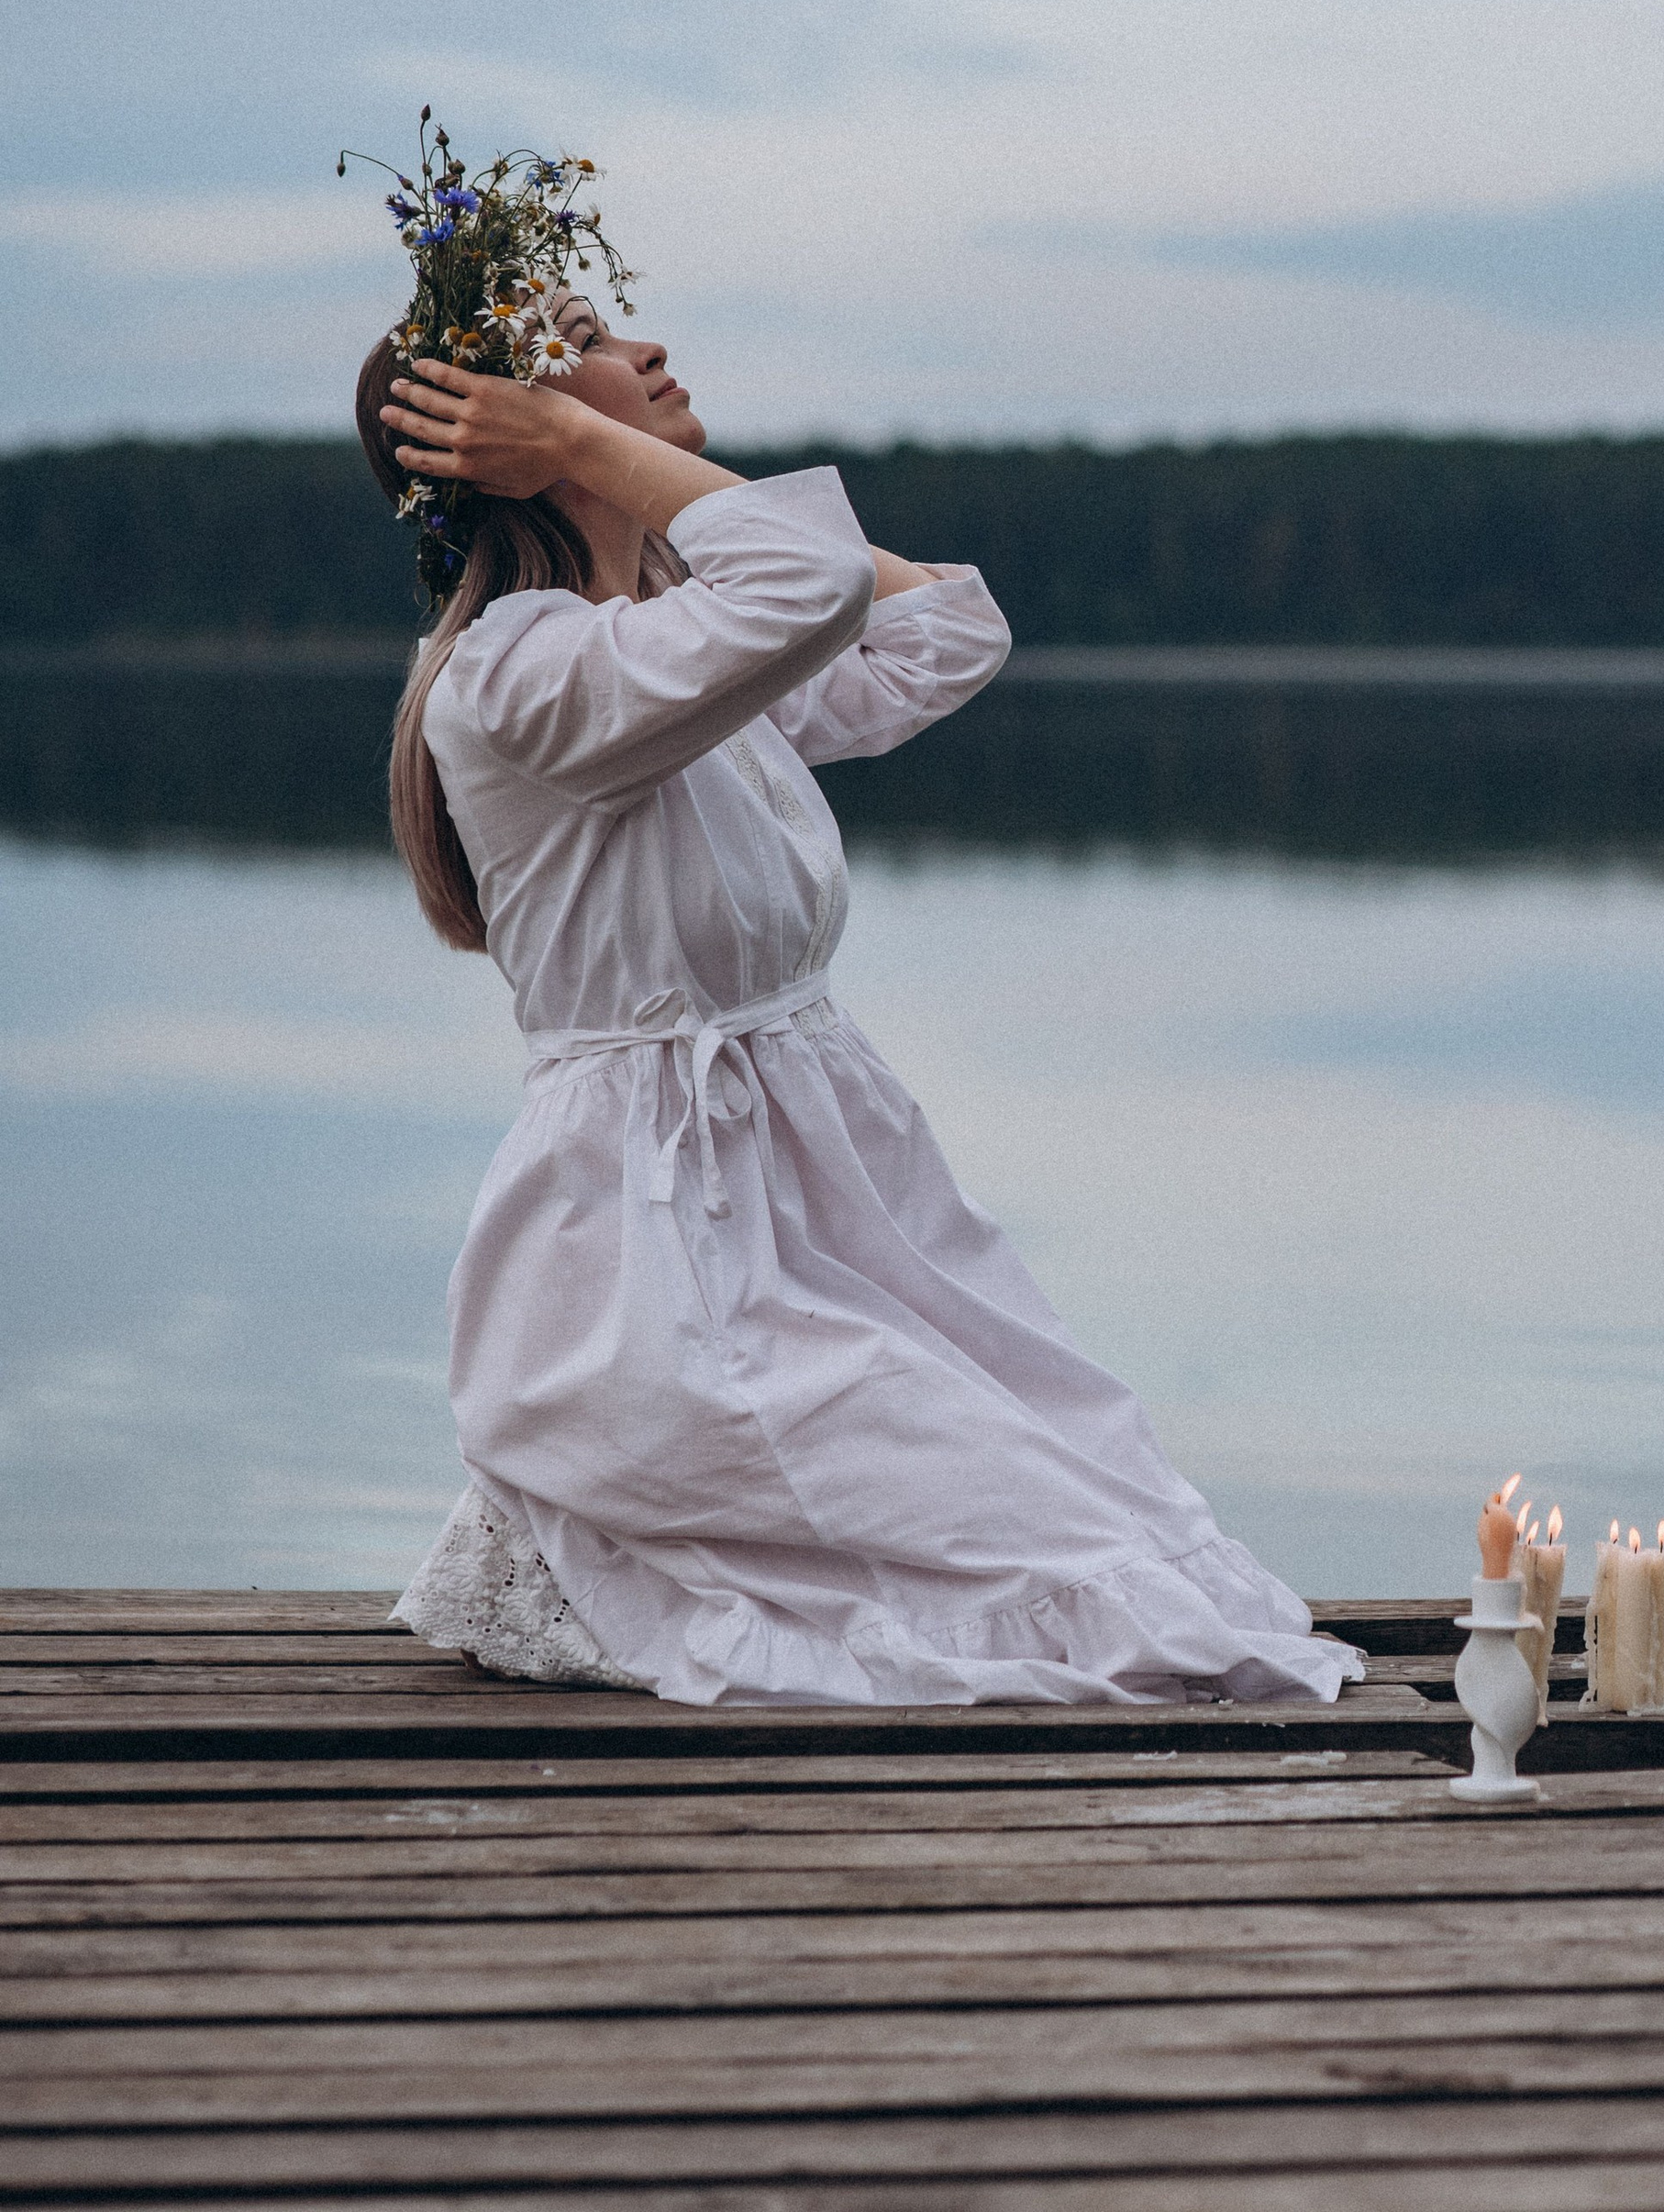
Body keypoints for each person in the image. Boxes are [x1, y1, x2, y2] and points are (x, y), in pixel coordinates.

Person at [358, 238, 1357, 1709]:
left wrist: (603, 455)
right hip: (663, 1254)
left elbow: (947, 623)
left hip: (832, 1199)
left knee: (1105, 1490)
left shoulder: (672, 649)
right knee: (1058, 1554)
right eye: (586, 338)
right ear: (508, 434)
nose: (646, 350)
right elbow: (813, 574)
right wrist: (580, 440)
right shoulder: (529, 676)